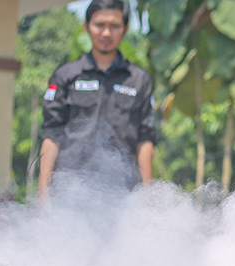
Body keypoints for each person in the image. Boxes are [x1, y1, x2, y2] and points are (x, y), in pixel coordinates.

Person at [37, 0, 156, 204]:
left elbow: (145, 140)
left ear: (125, 30)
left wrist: (147, 198)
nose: (106, 33)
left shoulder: (139, 80)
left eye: (114, 26)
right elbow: (51, 135)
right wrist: (42, 194)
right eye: (100, 25)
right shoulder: (65, 76)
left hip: (121, 195)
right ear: (86, 26)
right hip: (69, 191)